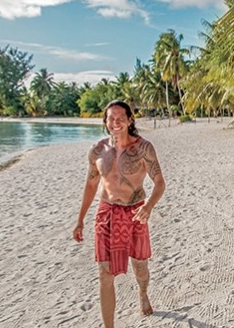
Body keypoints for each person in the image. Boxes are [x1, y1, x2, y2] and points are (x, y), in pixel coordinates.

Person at [72, 100, 166, 328]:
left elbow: (159, 182)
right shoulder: (97, 151)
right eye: (110, 119)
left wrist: (149, 206)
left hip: (135, 212)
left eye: (120, 118)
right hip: (106, 214)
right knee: (105, 274)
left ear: (130, 120)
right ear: (105, 121)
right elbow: (90, 185)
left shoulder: (143, 148)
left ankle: (142, 293)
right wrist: (80, 220)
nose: (115, 123)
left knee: (140, 266)